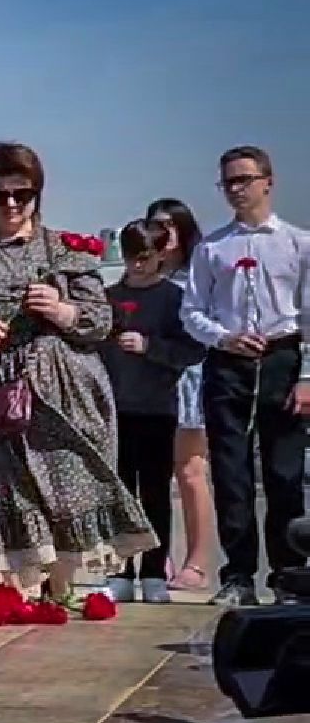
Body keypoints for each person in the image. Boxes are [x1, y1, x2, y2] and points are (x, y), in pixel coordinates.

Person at [0, 141, 155, 599]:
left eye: (21, 195)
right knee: (9, 495)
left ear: (36, 196)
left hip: (64, 393)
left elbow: (100, 319)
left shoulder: (63, 249)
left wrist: (62, 311)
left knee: (66, 492)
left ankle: (60, 595)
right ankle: (18, 599)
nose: (9, 204)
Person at [179, 145, 309, 605]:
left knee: (283, 472)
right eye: (228, 182)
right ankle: (237, 575)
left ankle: (289, 573)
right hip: (229, 362)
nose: (237, 190)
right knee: (231, 473)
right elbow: (191, 311)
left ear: (268, 181)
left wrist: (306, 376)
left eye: (244, 180)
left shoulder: (298, 242)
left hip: (282, 358)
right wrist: (223, 337)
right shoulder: (212, 247)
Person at [102, 219, 207, 602]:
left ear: (161, 254)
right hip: (115, 411)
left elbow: (193, 350)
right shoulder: (108, 296)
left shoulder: (172, 299)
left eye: (144, 257)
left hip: (157, 409)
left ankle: (154, 570)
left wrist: (151, 348)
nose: (137, 265)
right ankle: (119, 570)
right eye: (130, 257)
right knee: (118, 492)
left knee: (155, 492)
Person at [146, 197, 214, 591]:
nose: (163, 234)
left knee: (190, 472)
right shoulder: (145, 276)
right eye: (156, 225)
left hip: (188, 377)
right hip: (149, 383)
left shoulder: (195, 274)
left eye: (170, 226)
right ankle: (159, 558)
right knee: (150, 475)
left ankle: (199, 560)